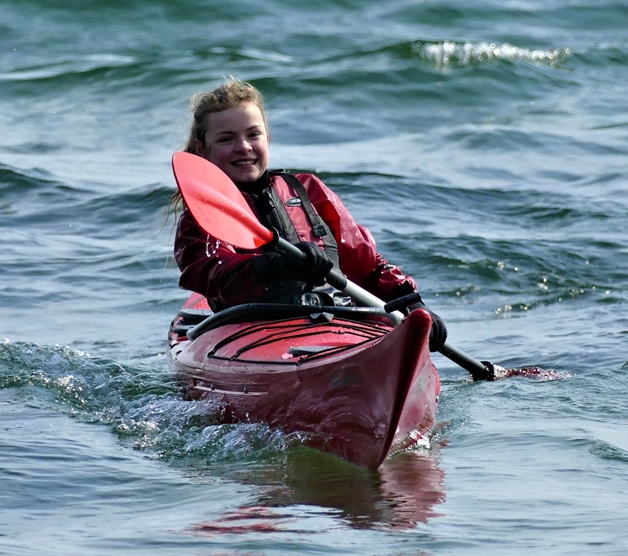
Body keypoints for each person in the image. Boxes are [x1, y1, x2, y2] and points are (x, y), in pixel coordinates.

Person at [172, 79, 448, 352]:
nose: (243, 146)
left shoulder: (307, 190)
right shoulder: (203, 213)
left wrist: (409, 300)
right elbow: (213, 273)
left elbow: (367, 264)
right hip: (255, 332)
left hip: (339, 322)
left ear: (268, 138)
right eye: (226, 139)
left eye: (253, 134)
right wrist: (276, 265)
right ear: (202, 148)